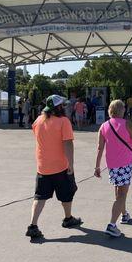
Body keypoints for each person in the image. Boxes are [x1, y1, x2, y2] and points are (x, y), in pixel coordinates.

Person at [25, 95, 82, 239]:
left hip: (42, 167)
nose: (64, 107)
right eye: (62, 105)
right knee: (66, 194)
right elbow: (67, 143)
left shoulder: (38, 120)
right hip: (60, 166)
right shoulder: (63, 122)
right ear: (59, 107)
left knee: (40, 196)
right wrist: (71, 164)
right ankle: (68, 219)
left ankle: (33, 225)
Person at [95, 100, 132, 237]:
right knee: (122, 194)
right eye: (124, 108)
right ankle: (112, 225)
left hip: (112, 164)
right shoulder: (127, 124)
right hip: (125, 164)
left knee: (118, 190)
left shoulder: (104, 126)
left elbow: (100, 148)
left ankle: (124, 214)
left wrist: (97, 166)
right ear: (121, 110)